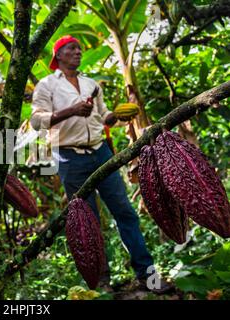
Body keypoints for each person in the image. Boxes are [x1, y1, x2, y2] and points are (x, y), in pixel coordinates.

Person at [30, 35, 173, 294]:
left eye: (79, 49)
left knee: (125, 213)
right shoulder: (46, 85)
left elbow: (102, 116)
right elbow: (36, 121)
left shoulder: (90, 84)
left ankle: (147, 275)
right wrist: (70, 111)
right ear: (58, 55)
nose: (77, 52)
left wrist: (116, 116)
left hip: (100, 152)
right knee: (88, 223)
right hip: (69, 158)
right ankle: (101, 284)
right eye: (71, 48)